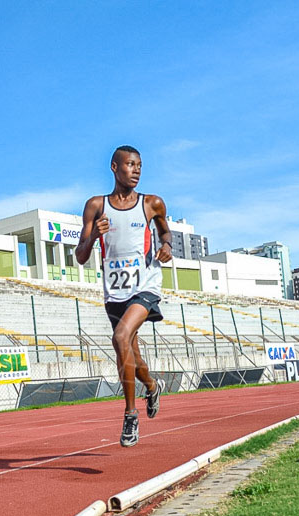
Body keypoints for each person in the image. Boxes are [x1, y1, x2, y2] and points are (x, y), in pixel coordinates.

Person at [76, 145, 172, 447]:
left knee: (120, 338)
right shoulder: (96, 206)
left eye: (140, 165)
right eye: (130, 164)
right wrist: (94, 235)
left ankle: (130, 415)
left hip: (145, 284)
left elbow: (165, 232)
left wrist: (167, 247)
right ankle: (152, 386)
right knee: (133, 355)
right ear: (115, 167)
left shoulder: (152, 203)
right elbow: (80, 256)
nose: (137, 170)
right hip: (114, 291)